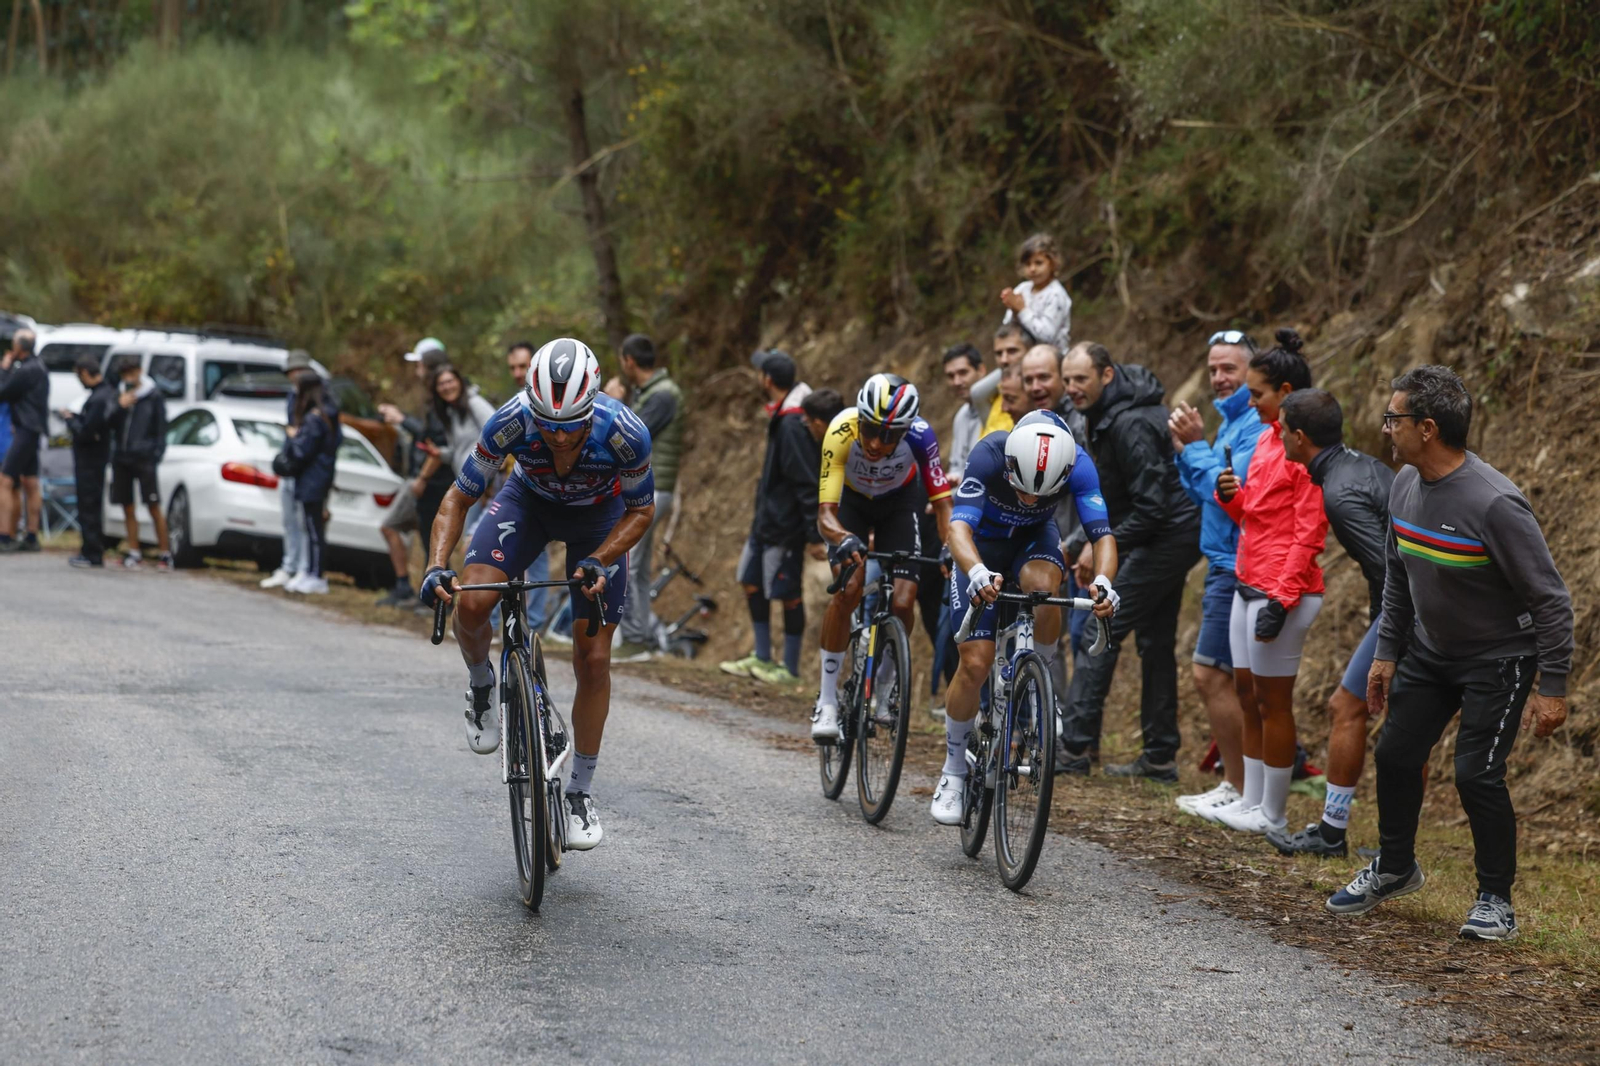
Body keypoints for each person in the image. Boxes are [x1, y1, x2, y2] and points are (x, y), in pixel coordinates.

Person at [1327, 366, 1573, 942]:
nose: (1386, 429)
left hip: (1500, 659)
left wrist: (1553, 685)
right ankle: (1394, 868)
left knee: (1476, 774)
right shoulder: (1405, 485)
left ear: (1428, 428)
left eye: (1395, 419)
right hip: (1431, 653)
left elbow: (1551, 600)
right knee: (1395, 754)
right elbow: (1396, 574)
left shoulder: (1494, 504)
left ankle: (1495, 902)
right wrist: (1387, 651)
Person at [423, 337, 654, 851]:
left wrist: (603, 558)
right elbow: (458, 498)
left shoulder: (624, 433)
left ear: (590, 408)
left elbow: (642, 510)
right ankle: (482, 684)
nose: (557, 438)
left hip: (602, 518)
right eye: (547, 426)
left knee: (593, 658)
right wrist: (437, 565)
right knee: (474, 601)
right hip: (528, 501)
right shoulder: (509, 421)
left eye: (569, 427)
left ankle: (579, 794)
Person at [935, 411, 1118, 822]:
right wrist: (977, 572)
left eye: (1043, 494)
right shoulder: (989, 454)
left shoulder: (1079, 464)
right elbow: (958, 530)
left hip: (1034, 540)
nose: (1031, 501)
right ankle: (953, 770)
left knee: (1044, 588)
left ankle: (1038, 686)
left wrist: (1105, 580)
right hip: (981, 544)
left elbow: (1102, 535)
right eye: (1023, 490)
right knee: (975, 663)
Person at [1058, 342, 1203, 781]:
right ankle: (1160, 757)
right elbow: (1117, 497)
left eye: (1080, 379)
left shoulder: (1132, 421)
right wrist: (1083, 538)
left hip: (1169, 535)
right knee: (1155, 642)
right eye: (1067, 380)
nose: (1072, 389)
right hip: (1160, 533)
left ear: (1106, 375)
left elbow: (1152, 507)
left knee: (1103, 628)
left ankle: (1074, 749)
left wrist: (1100, 545)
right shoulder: (1108, 412)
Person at [1267, 388, 1394, 857]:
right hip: (1414, 610)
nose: (1278, 437)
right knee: (1394, 720)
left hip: (1410, 614)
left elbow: (1389, 566)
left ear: (1300, 438)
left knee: (1349, 708)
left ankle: (1336, 834)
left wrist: (1389, 634)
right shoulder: (1357, 465)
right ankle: (1388, 845)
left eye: (1281, 430)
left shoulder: (1340, 493)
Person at [1209, 330, 1324, 835]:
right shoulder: (1265, 439)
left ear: (1284, 392)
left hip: (1283, 588)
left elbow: (1308, 530)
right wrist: (1228, 493)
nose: (1250, 402)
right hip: (1246, 578)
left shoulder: (1306, 448)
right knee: (1247, 694)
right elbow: (1253, 513)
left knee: (1273, 702)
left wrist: (1283, 595)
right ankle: (1251, 801)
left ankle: (1273, 813)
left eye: (1257, 394)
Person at [810, 374, 953, 741]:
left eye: (890, 436)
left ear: (906, 430)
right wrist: (843, 539)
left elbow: (942, 503)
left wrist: (953, 545)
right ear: (860, 417)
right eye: (871, 429)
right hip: (852, 505)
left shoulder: (922, 436)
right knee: (850, 588)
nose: (876, 443)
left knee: (905, 601)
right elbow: (825, 514)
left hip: (899, 504)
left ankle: (886, 687)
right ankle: (826, 701)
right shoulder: (841, 430)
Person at [1167, 331, 1262, 817]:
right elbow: (1202, 488)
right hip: (1223, 562)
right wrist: (1189, 451)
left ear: (1252, 372)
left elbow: (1230, 497)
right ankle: (1239, 785)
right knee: (1226, 678)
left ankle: (1242, 787)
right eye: (1213, 370)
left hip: (1237, 564)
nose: (1219, 379)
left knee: (1212, 674)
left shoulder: (1254, 427)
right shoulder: (1229, 423)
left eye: (1229, 369)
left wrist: (1195, 447)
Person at [719, 350, 824, 686]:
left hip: (784, 526)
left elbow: (806, 481)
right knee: (750, 579)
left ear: (767, 379)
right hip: (765, 522)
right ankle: (762, 655)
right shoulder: (783, 415)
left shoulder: (793, 422)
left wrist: (813, 533)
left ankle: (789, 669)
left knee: (788, 593)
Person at [604, 334, 683, 655]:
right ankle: (642, 636)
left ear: (629, 361)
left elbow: (631, 435)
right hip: (654, 485)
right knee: (638, 563)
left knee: (630, 561)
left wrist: (613, 403)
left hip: (654, 487)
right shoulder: (654, 392)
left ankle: (636, 639)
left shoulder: (662, 395)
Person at [374, 338, 452, 607]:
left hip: (434, 479)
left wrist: (422, 478)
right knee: (430, 536)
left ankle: (425, 594)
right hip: (427, 477)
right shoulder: (431, 398)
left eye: (419, 364)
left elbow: (438, 443)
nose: (416, 370)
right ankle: (424, 593)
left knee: (428, 535)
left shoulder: (443, 398)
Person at [260, 350, 326, 589]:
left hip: (307, 470)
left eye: (297, 371)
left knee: (305, 523)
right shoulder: (292, 396)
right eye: (291, 372)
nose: (294, 376)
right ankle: (289, 566)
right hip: (292, 465)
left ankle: (305, 570)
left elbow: (318, 436)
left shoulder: (320, 399)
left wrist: (297, 439)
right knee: (289, 520)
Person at [277, 372, 344, 595]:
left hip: (312, 479)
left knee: (314, 530)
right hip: (319, 477)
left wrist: (294, 437)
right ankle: (309, 572)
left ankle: (316, 575)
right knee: (311, 527)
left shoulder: (315, 418)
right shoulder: (328, 416)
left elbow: (303, 451)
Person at [108, 356, 171, 571]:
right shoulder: (120, 393)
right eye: (124, 374)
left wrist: (154, 454)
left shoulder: (153, 396)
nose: (128, 378)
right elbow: (109, 421)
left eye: (131, 373)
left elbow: (161, 428)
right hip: (122, 457)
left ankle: (165, 552)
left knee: (153, 504)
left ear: (139, 371)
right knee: (127, 505)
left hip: (144, 457)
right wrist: (119, 405)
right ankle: (134, 551)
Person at [504, 341, 551, 631]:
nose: (518, 373)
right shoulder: (514, 404)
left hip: (547, 491)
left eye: (523, 366)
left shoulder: (552, 401)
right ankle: (513, 621)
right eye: (513, 368)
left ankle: (535, 621)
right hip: (517, 486)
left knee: (538, 557)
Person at [59, 354, 119, 568]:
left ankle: (92, 552)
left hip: (90, 461)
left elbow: (87, 432)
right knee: (90, 505)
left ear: (85, 373)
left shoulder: (99, 398)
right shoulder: (104, 394)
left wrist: (71, 420)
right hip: (94, 459)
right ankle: (91, 550)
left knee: (89, 505)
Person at [0, 328, 48, 552]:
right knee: (30, 482)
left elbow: (3, 391)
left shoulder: (25, 370)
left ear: (20, 347)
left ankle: (4, 536)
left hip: (25, 430)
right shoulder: (40, 367)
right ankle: (31, 535)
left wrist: (4, 368)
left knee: (5, 481)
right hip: (35, 428)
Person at [999, 232, 1072, 353]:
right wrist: (1013, 311)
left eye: (1038, 263)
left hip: (1053, 358)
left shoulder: (1056, 294)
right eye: (1028, 264)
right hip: (1025, 357)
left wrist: (1022, 310)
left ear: (1052, 264)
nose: (1032, 269)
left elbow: (1047, 336)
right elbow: (1007, 329)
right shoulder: (1022, 289)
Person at [968, 324, 1034, 438]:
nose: (1004, 360)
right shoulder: (994, 394)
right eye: (999, 353)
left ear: (1031, 351)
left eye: (1012, 351)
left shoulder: (1036, 394)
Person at [942, 343, 987, 482]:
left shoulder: (1001, 409)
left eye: (963, 373)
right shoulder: (961, 416)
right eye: (951, 376)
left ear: (981, 370)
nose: (956, 382)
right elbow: (956, 466)